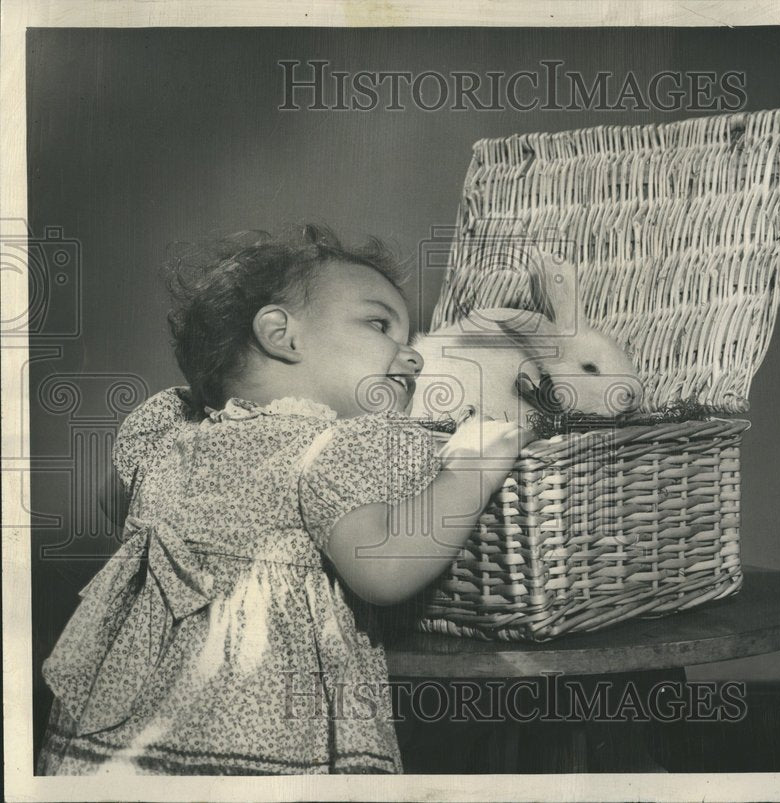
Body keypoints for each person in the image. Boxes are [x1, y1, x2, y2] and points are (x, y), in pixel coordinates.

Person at [37, 224, 532, 775]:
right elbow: (386, 568)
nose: (412, 357)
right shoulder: (331, 446)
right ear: (283, 335)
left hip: (119, 730)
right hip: (260, 736)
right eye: (380, 325)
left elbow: (122, 509)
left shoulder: (168, 430)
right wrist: (473, 466)